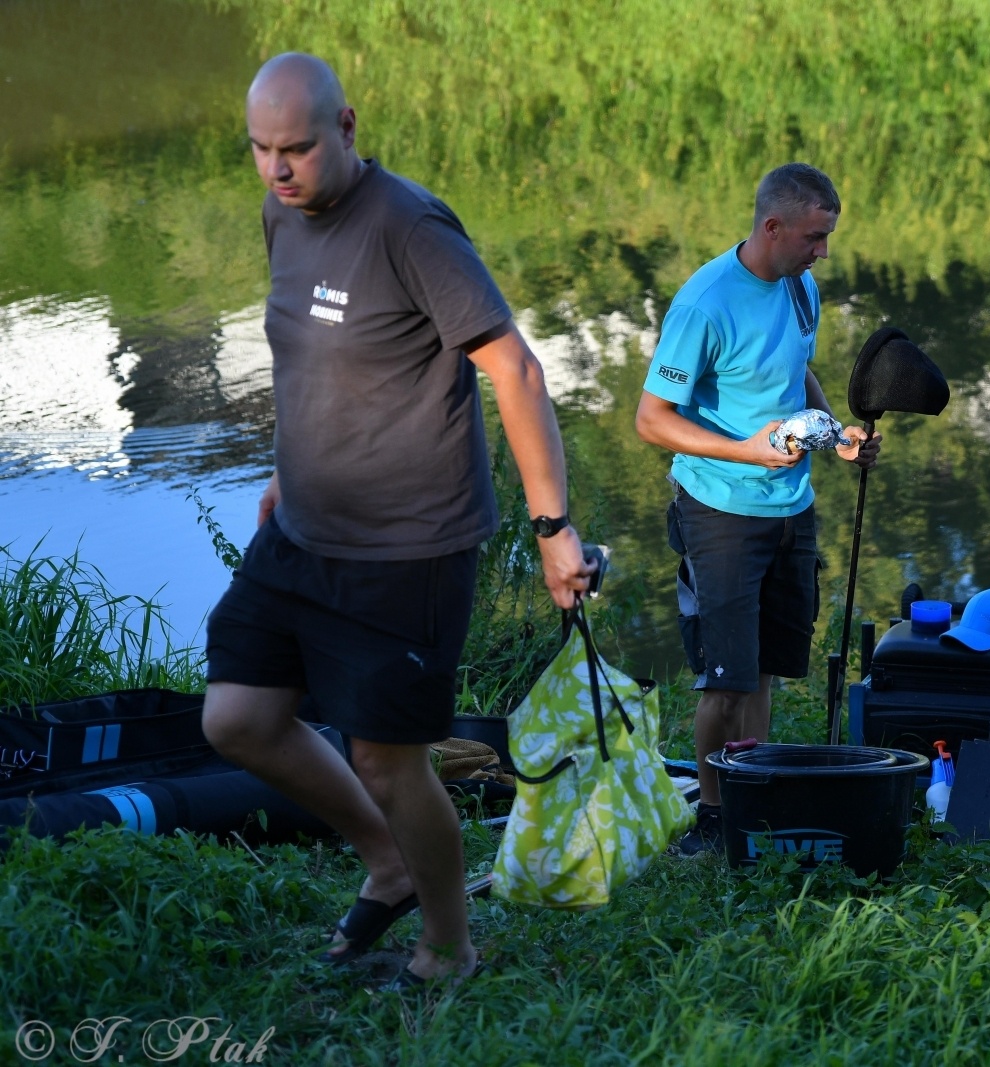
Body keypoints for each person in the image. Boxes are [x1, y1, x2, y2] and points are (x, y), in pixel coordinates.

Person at [202, 53, 593, 988]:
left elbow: (518, 371)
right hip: (299, 529)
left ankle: (449, 943)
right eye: (261, 150)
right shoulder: (280, 213)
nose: (277, 170)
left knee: (388, 755)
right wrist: (283, 466)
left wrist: (554, 530)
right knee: (238, 717)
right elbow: (312, 353)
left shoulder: (410, 226)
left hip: (407, 547)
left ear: (346, 128)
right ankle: (387, 863)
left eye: (295, 148)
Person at [635, 163, 881, 856]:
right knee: (726, 678)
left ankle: (756, 793)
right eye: (815, 236)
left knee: (767, 667)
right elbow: (652, 420)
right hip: (719, 509)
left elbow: (797, 367)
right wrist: (744, 450)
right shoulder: (705, 304)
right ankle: (715, 817)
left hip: (789, 507)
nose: (823, 251)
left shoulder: (801, 286)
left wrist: (834, 433)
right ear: (772, 227)